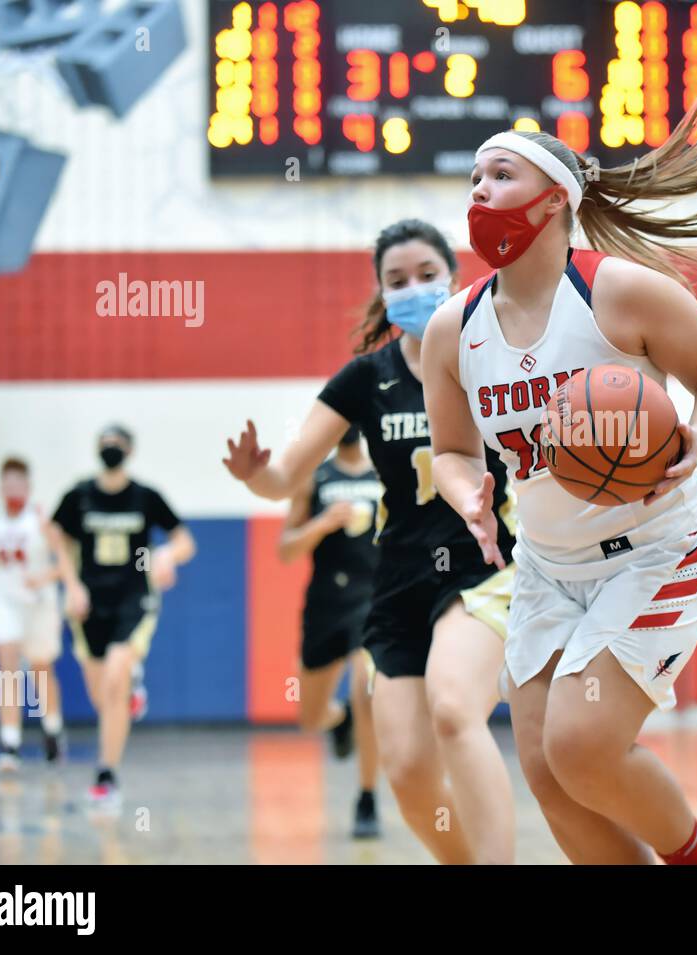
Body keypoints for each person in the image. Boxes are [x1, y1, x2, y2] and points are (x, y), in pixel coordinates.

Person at [422, 90, 697, 864]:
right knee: (549, 775)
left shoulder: (620, 291)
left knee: (583, 745)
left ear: (555, 200)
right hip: (547, 566)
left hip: (655, 547)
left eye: (500, 174)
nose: (479, 189)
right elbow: (451, 449)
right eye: (474, 178)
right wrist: (466, 492)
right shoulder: (452, 328)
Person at [223, 219, 518, 864]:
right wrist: (256, 475)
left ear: (455, 278)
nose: (414, 289)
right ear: (383, 296)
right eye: (397, 281)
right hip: (400, 580)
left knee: (452, 707)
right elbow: (285, 478)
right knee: (409, 776)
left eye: (426, 275)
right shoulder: (365, 378)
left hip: (485, 566)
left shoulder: (496, 357)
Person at [49, 425, 196, 808]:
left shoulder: (145, 497)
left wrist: (166, 555)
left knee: (115, 677)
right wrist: (71, 584)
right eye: (105, 444)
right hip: (90, 601)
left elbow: (185, 541)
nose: (110, 449)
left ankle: (106, 774)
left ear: (129, 450)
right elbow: (56, 536)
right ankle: (131, 689)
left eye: (117, 444)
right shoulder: (79, 496)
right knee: (103, 696)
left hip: (135, 597)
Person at [278, 426, 383, 838]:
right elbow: (285, 549)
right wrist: (322, 522)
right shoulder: (313, 478)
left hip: (373, 597)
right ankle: (340, 723)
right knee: (309, 716)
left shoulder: (385, 474)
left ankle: (367, 797)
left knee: (365, 689)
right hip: (325, 602)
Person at [0, 457, 72, 769]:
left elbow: (66, 561)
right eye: (7, 483)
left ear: (28, 487)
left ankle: (53, 730)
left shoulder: (41, 520)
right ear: (0, 488)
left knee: (41, 671)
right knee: (7, 666)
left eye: (18, 483)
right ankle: (10, 743)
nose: (12, 488)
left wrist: (46, 577)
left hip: (39, 601)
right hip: (6, 601)